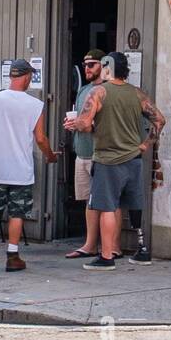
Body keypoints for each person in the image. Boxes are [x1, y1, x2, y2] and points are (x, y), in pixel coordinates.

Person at [71, 51, 166, 271]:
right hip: (133, 158)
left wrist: (77, 124)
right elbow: (160, 120)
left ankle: (106, 256)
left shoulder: (98, 92)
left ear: (108, 67)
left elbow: (84, 124)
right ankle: (141, 251)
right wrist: (144, 144)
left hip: (107, 158)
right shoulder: (137, 94)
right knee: (133, 204)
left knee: (106, 207)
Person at [0, 59, 56, 272]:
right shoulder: (35, 105)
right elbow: (41, 138)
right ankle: (13, 256)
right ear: (26, 77)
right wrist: (50, 156)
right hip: (21, 169)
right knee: (17, 213)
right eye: (30, 77)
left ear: (11, 76)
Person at [61, 49, 105, 260]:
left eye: (92, 64)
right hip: (82, 152)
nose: (87, 68)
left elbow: (106, 123)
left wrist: (85, 124)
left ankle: (107, 246)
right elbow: (81, 118)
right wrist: (74, 124)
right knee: (87, 200)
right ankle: (90, 244)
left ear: (103, 66)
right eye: (85, 64)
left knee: (104, 201)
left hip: (100, 153)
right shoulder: (83, 90)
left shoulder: (106, 91)